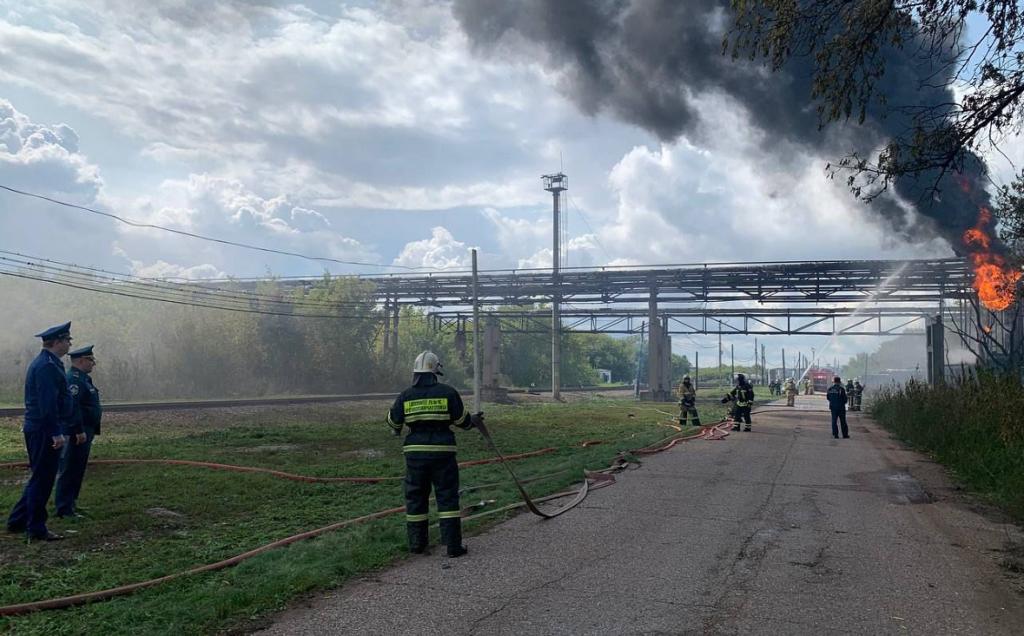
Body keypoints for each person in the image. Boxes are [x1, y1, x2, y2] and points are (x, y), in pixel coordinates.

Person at [387, 351, 482, 557]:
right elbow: (462, 422)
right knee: (447, 498)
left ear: (416, 372)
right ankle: (453, 546)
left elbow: (394, 423)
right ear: (436, 370)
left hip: (415, 456)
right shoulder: (448, 392)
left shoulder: (405, 395)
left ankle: (417, 545)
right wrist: (474, 420)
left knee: (416, 498)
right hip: (443, 454)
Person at [6, 322, 73, 541]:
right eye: (67, 340)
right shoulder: (46, 366)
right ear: (57, 342)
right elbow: (47, 404)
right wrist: (55, 432)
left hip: (41, 429)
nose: (69, 344)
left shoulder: (51, 363)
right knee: (43, 480)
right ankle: (36, 528)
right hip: (44, 431)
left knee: (40, 477)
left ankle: (17, 520)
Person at [55, 345, 102, 519]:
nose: (93, 364)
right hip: (76, 432)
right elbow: (71, 407)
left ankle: (71, 504)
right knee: (70, 468)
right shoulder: (74, 380)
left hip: (84, 430)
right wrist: (78, 429)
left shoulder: (83, 379)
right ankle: (64, 508)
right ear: (82, 360)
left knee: (77, 468)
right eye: (91, 360)